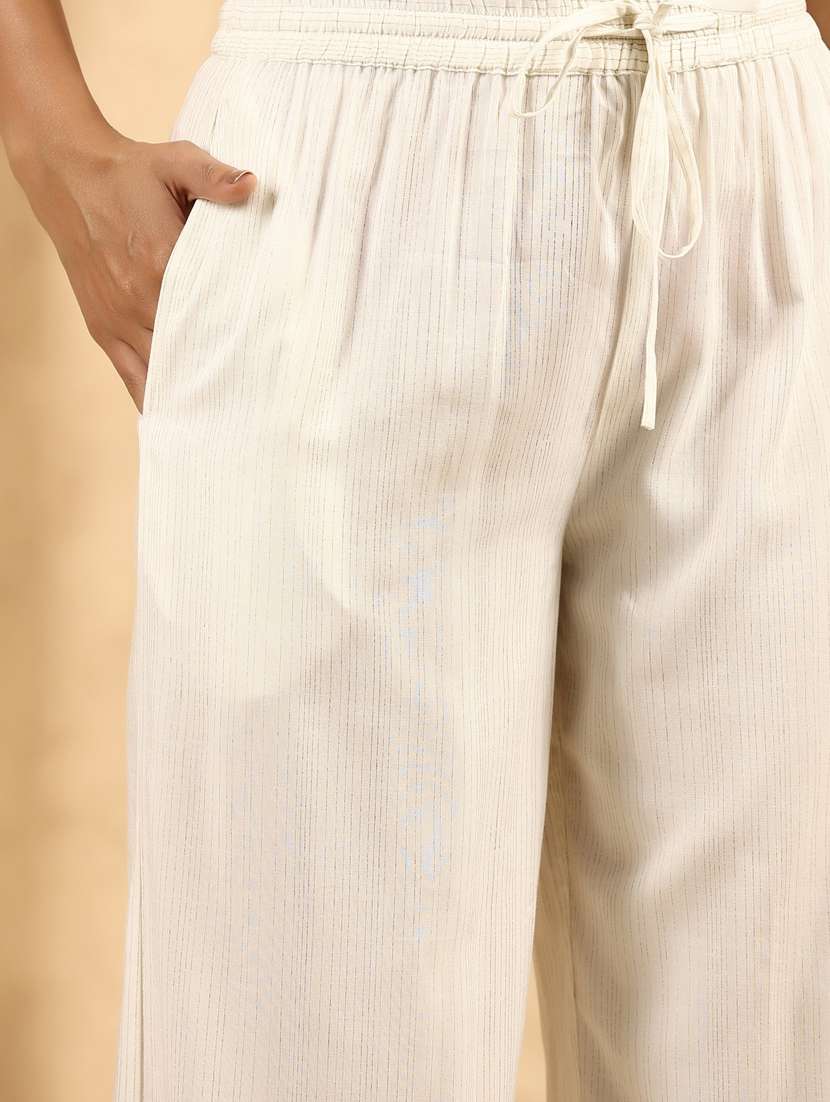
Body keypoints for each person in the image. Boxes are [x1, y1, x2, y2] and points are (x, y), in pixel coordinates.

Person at [3, 0, 830, 1098]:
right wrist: (47, 134)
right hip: (354, 161)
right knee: (313, 1048)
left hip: (759, 145)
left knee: (760, 1048)